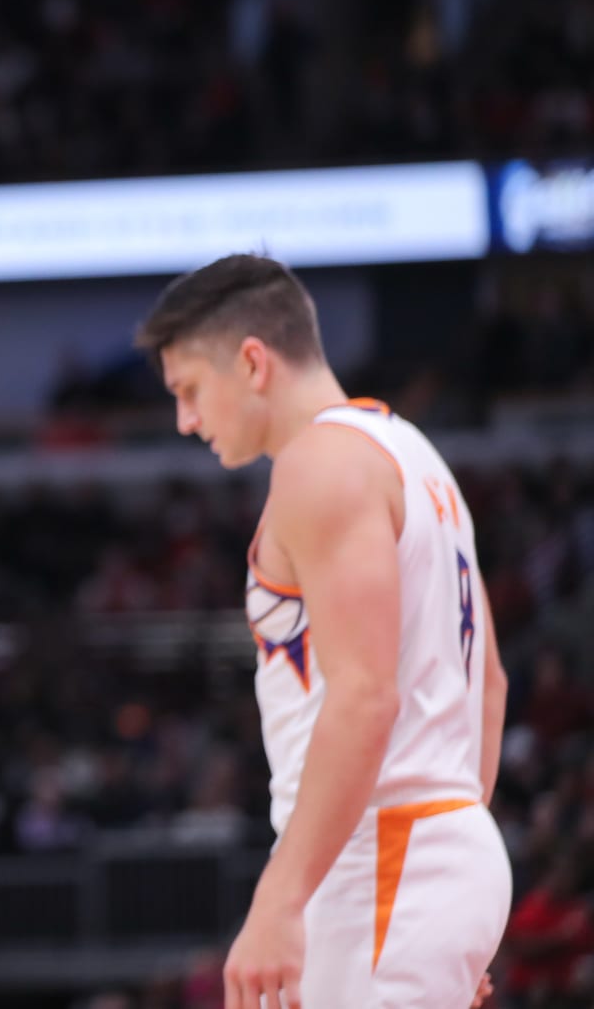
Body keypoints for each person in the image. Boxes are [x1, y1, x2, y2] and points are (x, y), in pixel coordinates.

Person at [135, 254, 511, 1009]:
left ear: (251, 361)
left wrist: (279, 899)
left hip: (385, 854)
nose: (185, 420)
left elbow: (367, 697)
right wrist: (454, 875)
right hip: (426, 851)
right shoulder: (414, 454)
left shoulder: (318, 466)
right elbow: (490, 685)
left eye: (189, 390)